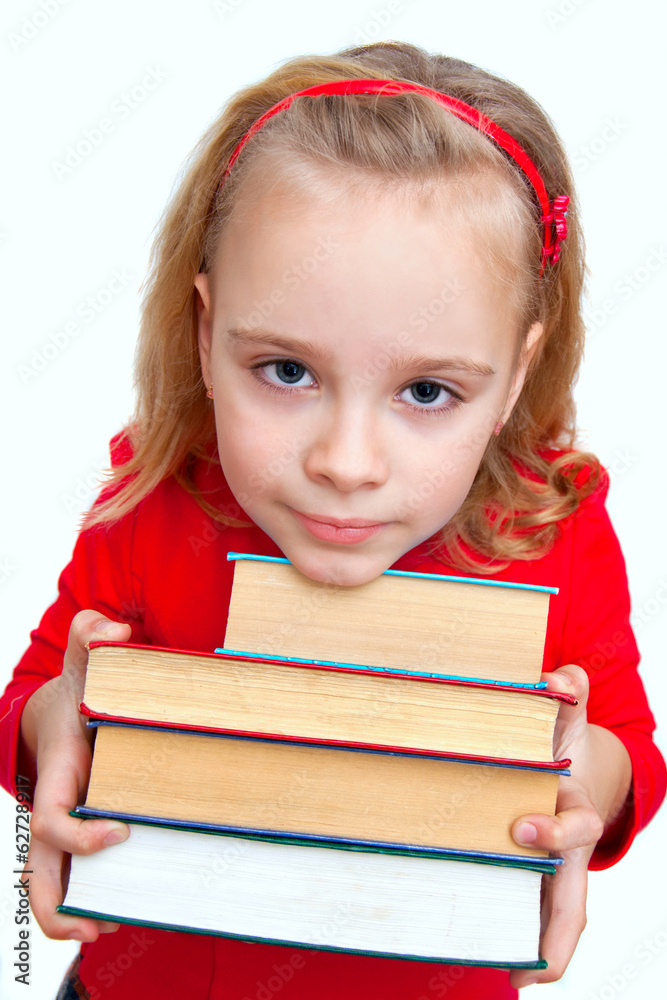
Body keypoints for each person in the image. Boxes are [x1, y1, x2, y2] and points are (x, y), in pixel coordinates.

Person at [1, 39, 664, 1000]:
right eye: (286, 371)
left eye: (427, 390)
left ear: (516, 370)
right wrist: (54, 722)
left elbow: (623, 746)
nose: (345, 464)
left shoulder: (548, 530)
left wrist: (586, 784)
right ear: (203, 328)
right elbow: (32, 693)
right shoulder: (153, 503)